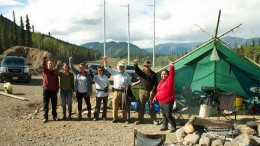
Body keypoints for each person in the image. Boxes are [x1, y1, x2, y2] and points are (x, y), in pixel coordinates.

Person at [103, 56, 132, 124]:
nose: (121, 67)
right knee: (114, 105)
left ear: (124, 67)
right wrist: (105, 60)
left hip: (123, 92)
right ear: (118, 67)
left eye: (122, 66)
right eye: (120, 66)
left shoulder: (127, 75)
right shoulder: (114, 72)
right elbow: (106, 67)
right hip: (116, 91)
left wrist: (126, 87)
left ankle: (124, 118)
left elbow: (130, 83)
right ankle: (115, 118)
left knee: (123, 105)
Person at [153, 61, 177, 132]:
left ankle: (173, 126)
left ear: (168, 75)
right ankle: (165, 125)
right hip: (161, 101)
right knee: (163, 114)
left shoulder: (170, 80)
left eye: (165, 74)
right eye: (162, 74)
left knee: (168, 115)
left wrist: (171, 66)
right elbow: (159, 91)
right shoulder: (161, 81)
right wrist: (155, 97)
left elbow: (172, 73)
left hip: (168, 100)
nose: (163, 75)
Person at [133, 59, 159, 125]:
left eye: (148, 66)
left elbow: (155, 84)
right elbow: (137, 70)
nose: (147, 67)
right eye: (145, 66)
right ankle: (140, 120)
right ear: (144, 66)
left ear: (150, 66)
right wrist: (135, 64)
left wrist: (153, 91)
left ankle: (154, 120)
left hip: (150, 92)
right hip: (142, 91)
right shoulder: (141, 73)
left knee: (151, 106)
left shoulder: (154, 74)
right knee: (141, 106)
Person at [41, 52, 59, 123]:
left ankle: (54, 116)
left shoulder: (55, 73)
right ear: (47, 65)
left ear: (53, 65)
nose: (50, 65)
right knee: (46, 104)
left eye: (51, 64)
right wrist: (44, 58)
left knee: (54, 104)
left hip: (53, 90)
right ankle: (45, 117)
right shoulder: (45, 71)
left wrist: (57, 89)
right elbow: (42, 65)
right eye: (49, 63)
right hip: (46, 90)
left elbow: (57, 82)